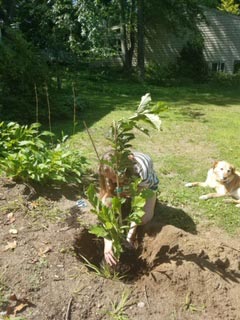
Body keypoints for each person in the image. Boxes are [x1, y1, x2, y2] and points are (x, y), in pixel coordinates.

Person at [99, 150, 159, 266]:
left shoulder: (142, 173)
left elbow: (138, 206)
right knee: (105, 202)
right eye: (108, 178)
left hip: (146, 187)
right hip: (124, 183)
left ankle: (151, 199)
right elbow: (104, 207)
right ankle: (123, 193)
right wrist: (108, 242)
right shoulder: (110, 175)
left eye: (113, 177)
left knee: (144, 218)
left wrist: (130, 237)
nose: (111, 180)